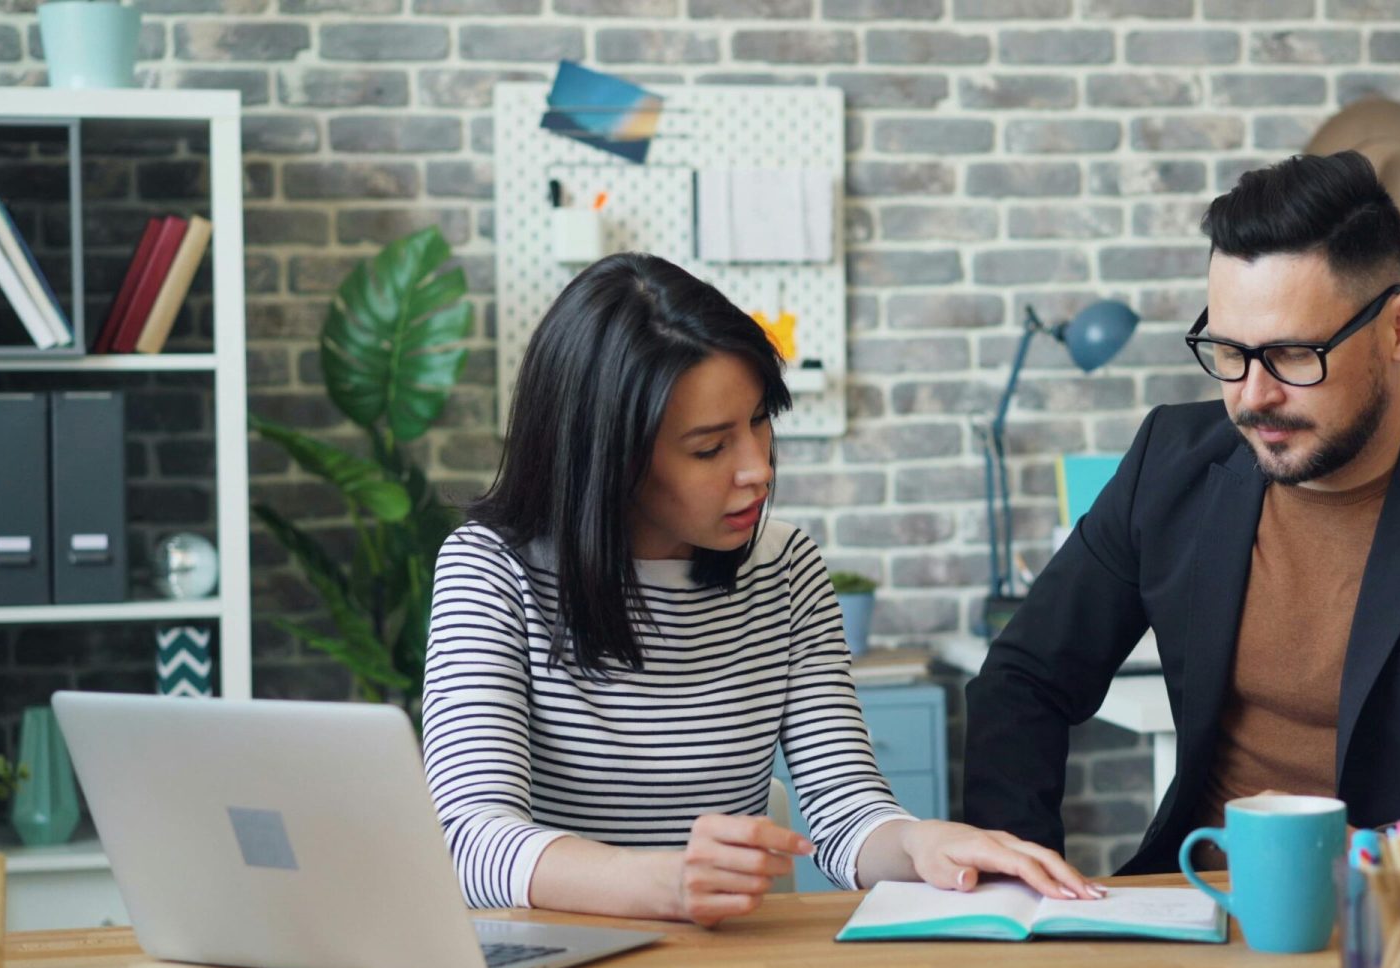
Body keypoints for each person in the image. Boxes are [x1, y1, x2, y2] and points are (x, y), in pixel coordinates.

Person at [963, 152, 1400, 904]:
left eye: (1291, 355)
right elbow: (1024, 679)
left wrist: (1389, 859)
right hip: (1192, 907)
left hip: (1399, 927)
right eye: (1229, 352)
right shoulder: (1171, 464)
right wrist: (1021, 888)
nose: (1252, 397)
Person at [423, 252, 1098, 927]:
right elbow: (467, 838)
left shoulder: (785, 569)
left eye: (759, 421)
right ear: (609, 458)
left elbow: (845, 814)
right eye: (710, 448)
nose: (757, 471)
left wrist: (922, 840)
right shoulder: (490, 571)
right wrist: (661, 883)